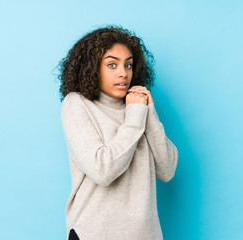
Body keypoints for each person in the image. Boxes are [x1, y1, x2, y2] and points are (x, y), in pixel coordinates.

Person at [57, 25, 178, 240]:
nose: (123, 73)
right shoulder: (77, 104)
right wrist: (135, 117)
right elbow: (103, 170)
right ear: (92, 67)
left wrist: (148, 112)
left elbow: (167, 170)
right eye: (112, 65)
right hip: (94, 233)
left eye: (128, 65)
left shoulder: (137, 107)